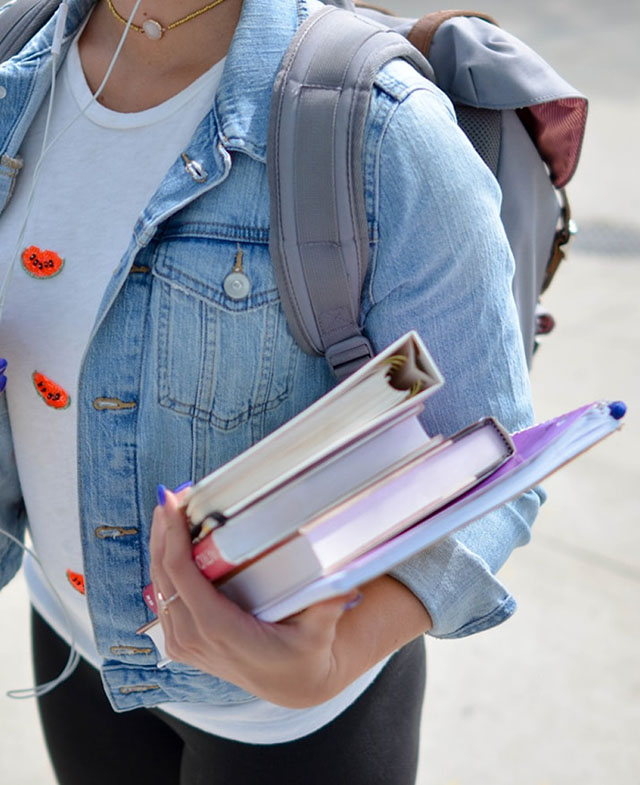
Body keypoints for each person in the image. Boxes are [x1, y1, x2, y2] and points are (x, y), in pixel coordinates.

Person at [0, 0, 543, 783]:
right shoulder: (19, 62)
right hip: (75, 641)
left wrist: (334, 658)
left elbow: (490, 461)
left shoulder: (379, 129)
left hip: (294, 716)